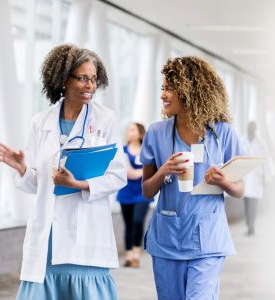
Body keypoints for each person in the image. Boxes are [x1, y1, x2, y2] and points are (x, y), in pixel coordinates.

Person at [0, 44, 126, 300]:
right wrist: (21, 168)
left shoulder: (106, 119)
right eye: (83, 78)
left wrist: (78, 183)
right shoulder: (40, 122)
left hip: (85, 229)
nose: (90, 86)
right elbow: (35, 186)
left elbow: (117, 175)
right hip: (48, 233)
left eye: (94, 79)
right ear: (63, 79)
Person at [140, 56, 245, 300]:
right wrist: (163, 170)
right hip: (167, 239)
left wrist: (224, 182)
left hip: (208, 239)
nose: (163, 95)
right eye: (163, 88)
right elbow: (146, 190)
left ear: (191, 90)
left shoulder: (223, 134)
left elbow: (239, 189)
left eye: (170, 88)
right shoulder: (156, 133)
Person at [116, 122, 153, 268]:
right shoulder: (122, 150)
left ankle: (136, 254)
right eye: (128, 129)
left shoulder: (147, 150)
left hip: (142, 192)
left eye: (132, 129)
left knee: (138, 221)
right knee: (128, 224)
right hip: (126, 192)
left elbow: (153, 167)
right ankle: (129, 256)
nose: (129, 132)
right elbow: (117, 168)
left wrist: (139, 173)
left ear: (140, 133)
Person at [242, 121, 270, 236]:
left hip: (256, 178)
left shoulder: (261, 144)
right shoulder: (242, 141)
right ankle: (249, 224)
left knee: (253, 204)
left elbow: (265, 162)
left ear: (255, 129)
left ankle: (251, 226)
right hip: (245, 177)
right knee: (246, 203)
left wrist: (266, 177)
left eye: (252, 127)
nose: (250, 129)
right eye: (249, 127)